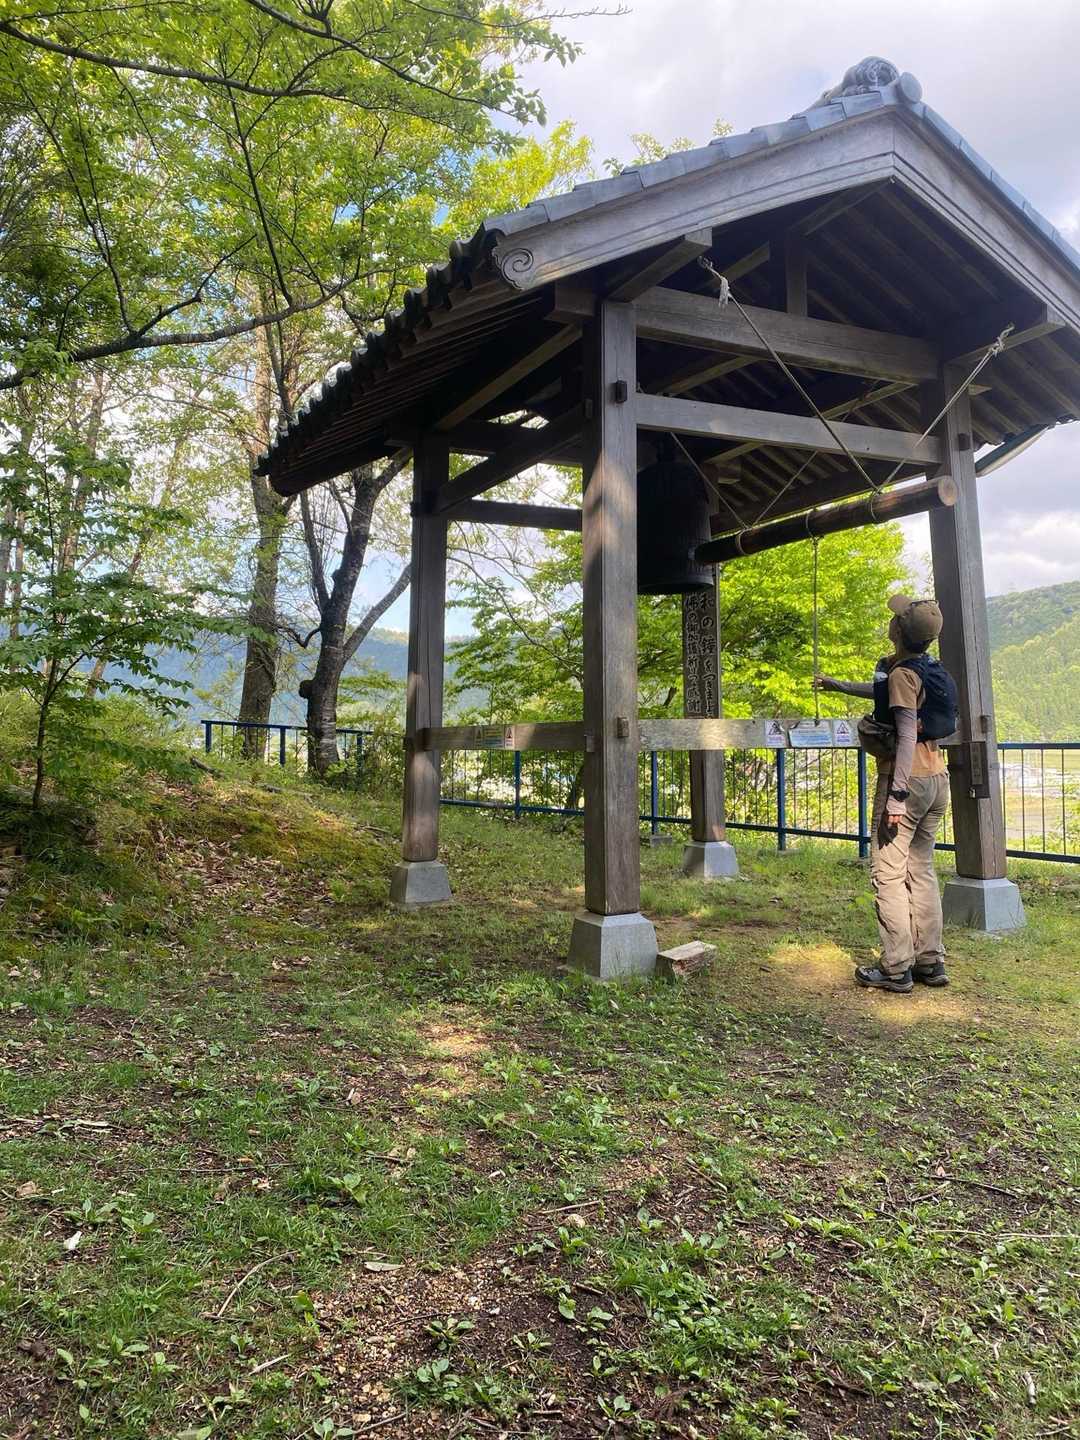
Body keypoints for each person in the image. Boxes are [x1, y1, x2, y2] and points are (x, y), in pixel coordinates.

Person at [815, 595, 957, 994]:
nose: (891, 621)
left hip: (906, 782)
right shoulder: (924, 670)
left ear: (899, 631)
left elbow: (907, 733)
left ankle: (896, 967)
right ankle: (930, 960)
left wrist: (896, 795)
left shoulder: (902, 675)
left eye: (896, 618)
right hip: (937, 779)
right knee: (920, 868)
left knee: (888, 873)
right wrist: (839, 685)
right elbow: (889, 697)